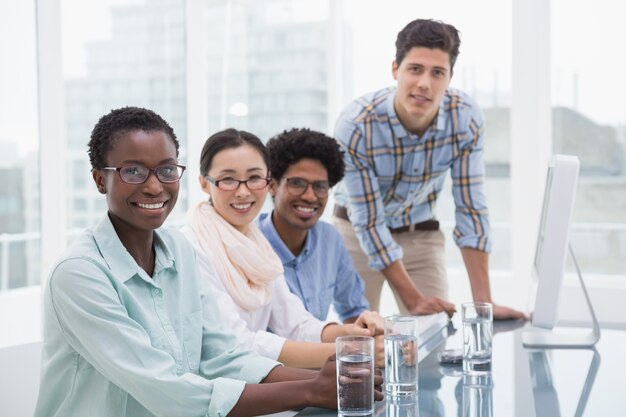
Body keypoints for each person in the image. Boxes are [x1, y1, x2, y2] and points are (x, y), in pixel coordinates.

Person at [34, 107, 380, 417]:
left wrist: (328, 379)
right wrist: (310, 389)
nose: (155, 187)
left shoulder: (178, 250)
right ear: (99, 179)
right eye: (134, 171)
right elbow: (170, 391)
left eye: (167, 170)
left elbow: (222, 357)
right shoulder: (79, 274)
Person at [332, 18, 526, 320]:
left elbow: (471, 208)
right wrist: (413, 299)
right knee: (362, 345)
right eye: (415, 69)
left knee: (432, 337)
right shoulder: (357, 125)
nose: (425, 83)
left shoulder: (466, 118)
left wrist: (483, 305)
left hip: (419, 235)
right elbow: (368, 222)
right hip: (355, 235)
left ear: (450, 77)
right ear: (395, 69)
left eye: (438, 73)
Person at [182, 128, 384, 370]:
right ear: (204, 183)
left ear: (266, 182)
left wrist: (353, 332)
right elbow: (238, 344)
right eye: (228, 179)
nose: (243, 191)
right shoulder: (190, 248)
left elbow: (295, 324)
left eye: (254, 177)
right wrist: (349, 351)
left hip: (254, 381)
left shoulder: (255, 243)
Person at [257, 127, 370, 323]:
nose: (310, 196)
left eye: (320, 186)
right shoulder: (250, 245)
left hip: (322, 351)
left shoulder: (330, 239)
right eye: (297, 183)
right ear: (272, 186)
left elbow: (354, 311)